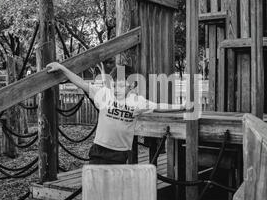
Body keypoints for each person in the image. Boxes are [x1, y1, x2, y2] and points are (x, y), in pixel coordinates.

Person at [47, 62, 188, 165]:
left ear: (132, 86)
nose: (116, 89)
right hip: (99, 149)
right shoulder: (104, 94)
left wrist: (181, 106)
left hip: (119, 153)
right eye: (114, 85)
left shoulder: (136, 102)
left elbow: (158, 106)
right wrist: (62, 68)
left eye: (121, 85)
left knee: (113, 189)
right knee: (96, 188)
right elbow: (81, 83)